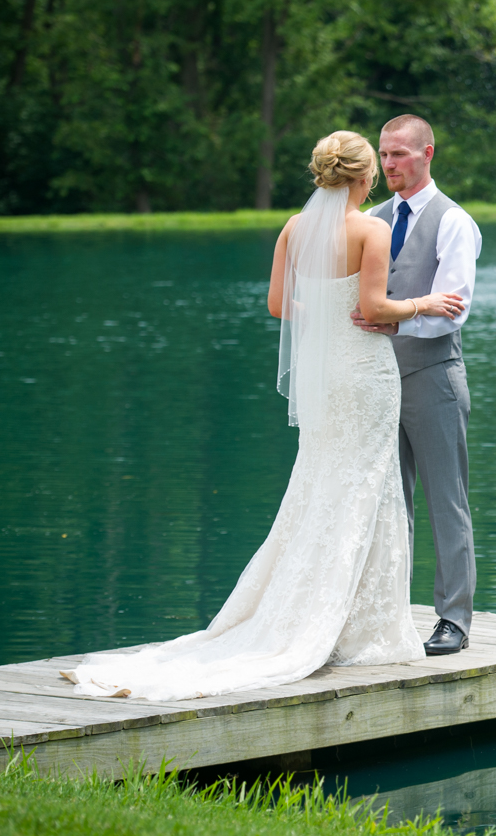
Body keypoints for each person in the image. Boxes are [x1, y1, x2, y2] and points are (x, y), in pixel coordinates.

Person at [62, 131, 464, 700]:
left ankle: (308, 611)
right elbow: (375, 308)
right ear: (360, 177)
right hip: (365, 375)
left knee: (322, 483)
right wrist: (423, 303)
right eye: (373, 168)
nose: (376, 177)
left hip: (325, 377)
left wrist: (323, 313)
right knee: (366, 487)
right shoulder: (371, 229)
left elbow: (279, 304)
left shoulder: (294, 229)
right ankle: (359, 625)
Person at [352, 115, 481, 656]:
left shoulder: (454, 222)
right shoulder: (371, 221)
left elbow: (453, 310)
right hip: (379, 382)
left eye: (399, 155)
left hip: (433, 379)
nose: (389, 165)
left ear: (428, 152)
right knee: (387, 504)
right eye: (384, 155)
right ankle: (390, 619)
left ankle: (453, 619)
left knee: (445, 502)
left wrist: (395, 321)